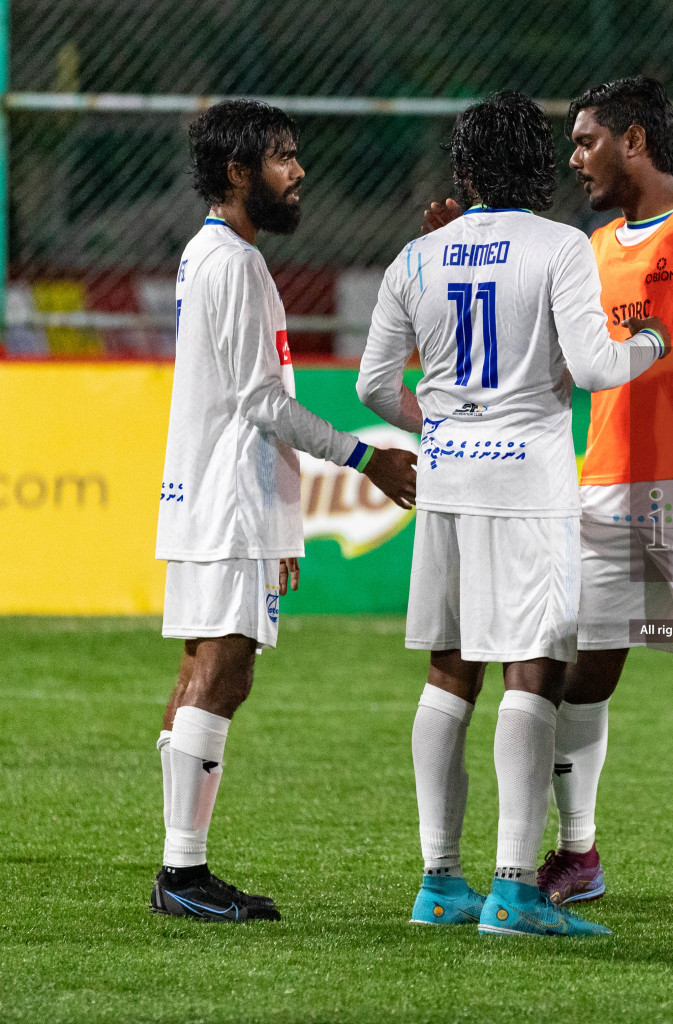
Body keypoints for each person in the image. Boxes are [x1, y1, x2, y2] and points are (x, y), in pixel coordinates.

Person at [429, 75, 673, 924]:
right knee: (578, 674)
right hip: (598, 492)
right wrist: (466, 248)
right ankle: (579, 853)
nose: (575, 157)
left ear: (634, 139)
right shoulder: (589, 248)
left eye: (587, 139)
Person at [358, 91, 670, 938]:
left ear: (462, 169)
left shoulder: (418, 256)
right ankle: (514, 888)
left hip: (450, 479)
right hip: (528, 483)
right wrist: (653, 342)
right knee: (532, 668)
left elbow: (372, 386)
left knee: (448, 669)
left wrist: (447, 425)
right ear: (537, 164)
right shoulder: (560, 246)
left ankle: (438, 881)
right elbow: (598, 366)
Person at [152, 100, 417, 921]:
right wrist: (366, 457)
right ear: (238, 173)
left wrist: (283, 521)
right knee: (224, 673)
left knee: (206, 668)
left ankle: (178, 867)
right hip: (227, 501)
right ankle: (183, 874)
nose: (298, 172)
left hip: (222, 497)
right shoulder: (234, 264)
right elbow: (264, 402)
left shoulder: (209, 255)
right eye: (281, 159)